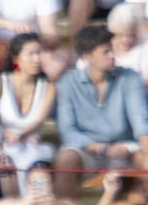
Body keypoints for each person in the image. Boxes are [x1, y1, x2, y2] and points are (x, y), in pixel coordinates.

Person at [54, 25, 148, 174]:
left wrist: (145, 151)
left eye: (111, 49)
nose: (112, 55)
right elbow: (67, 131)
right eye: (106, 51)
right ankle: (63, 199)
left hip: (125, 147)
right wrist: (101, 147)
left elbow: (140, 122)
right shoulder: (68, 82)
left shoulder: (130, 77)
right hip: (88, 149)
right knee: (66, 158)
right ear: (87, 56)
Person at [0, 31, 54, 169]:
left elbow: (40, 120)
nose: (37, 59)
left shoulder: (49, 87)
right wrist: (9, 135)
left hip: (32, 143)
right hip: (1, 142)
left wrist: (21, 135)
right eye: (31, 54)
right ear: (15, 58)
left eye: (39, 53)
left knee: (36, 156)